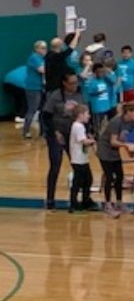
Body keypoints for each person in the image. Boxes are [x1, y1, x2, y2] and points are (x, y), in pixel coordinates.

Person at [42, 72, 83, 210]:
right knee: (55, 165)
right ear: (64, 83)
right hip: (57, 134)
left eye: (76, 82)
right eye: (71, 83)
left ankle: (76, 199)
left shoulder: (79, 95)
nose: (74, 85)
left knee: (78, 166)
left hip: (73, 135)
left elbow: (84, 114)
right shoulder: (56, 95)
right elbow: (46, 116)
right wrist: (55, 131)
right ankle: (50, 199)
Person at [97, 102, 134, 218]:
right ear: (129, 112)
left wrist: (130, 151)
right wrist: (126, 146)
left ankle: (119, 202)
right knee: (109, 177)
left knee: (120, 176)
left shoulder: (132, 123)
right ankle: (107, 204)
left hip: (115, 151)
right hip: (105, 150)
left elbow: (126, 138)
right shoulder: (116, 122)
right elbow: (113, 141)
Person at [68, 105, 95, 213]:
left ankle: (85, 200)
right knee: (78, 182)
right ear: (80, 115)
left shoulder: (80, 126)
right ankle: (74, 203)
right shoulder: (78, 126)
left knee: (88, 180)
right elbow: (83, 141)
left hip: (82, 158)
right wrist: (93, 141)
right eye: (87, 114)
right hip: (78, 159)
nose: (89, 116)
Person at [22, 40, 46, 139]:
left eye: (45, 48)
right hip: (33, 87)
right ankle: (26, 131)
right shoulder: (34, 58)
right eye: (42, 48)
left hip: (41, 87)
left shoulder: (41, 58)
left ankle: (43, 131)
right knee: (32, 109)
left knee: (43, 109)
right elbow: (42, 70)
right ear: (36, 48)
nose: (45, 50)